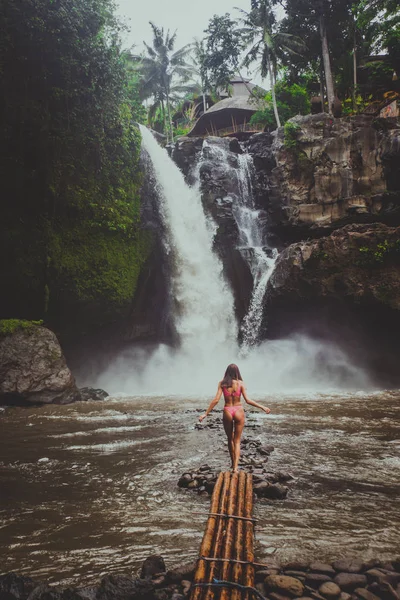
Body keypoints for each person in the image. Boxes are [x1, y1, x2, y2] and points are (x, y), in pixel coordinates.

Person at [198, 364, 271, 472]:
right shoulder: (241, 383)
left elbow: (216, 400)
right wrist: (262, 407)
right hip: (238, 410)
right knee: (237, 441)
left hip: (227, 410)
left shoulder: (222, 384)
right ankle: (236, 468)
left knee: (230, 439)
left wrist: (205, 413)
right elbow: (247, 400)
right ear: (237, 372)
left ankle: (232, 464)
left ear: (226, 372)